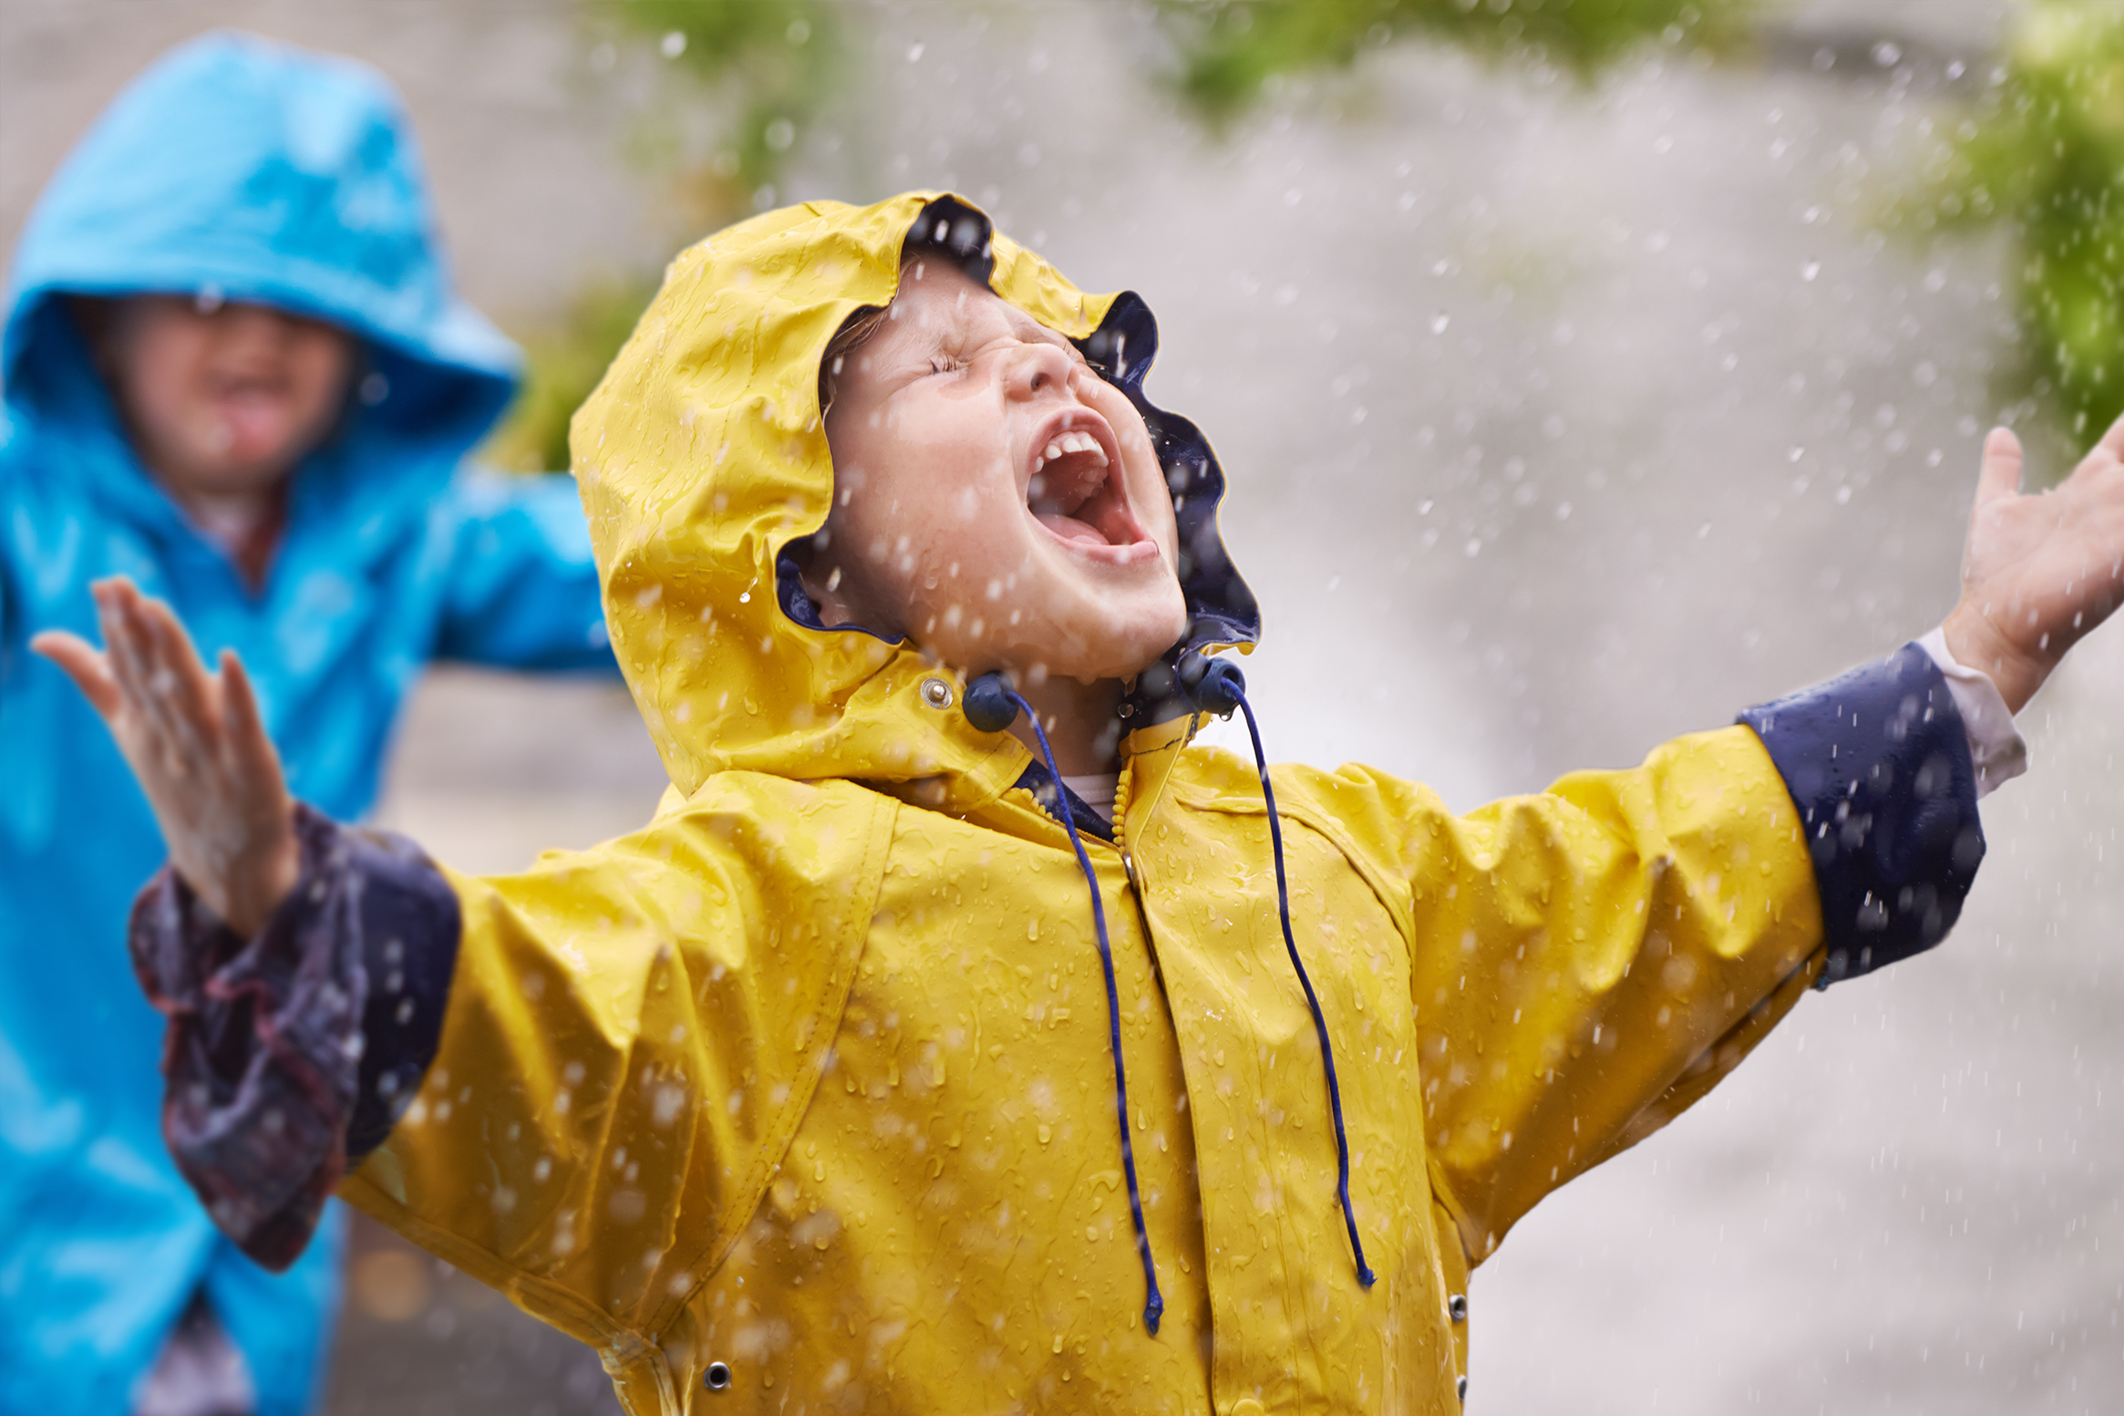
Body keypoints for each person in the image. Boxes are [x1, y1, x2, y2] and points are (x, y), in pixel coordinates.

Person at [37, 193, 2124, 1414]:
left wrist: (1974, 666)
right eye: (940, 367)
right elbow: (521, 1014)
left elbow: (1651, 883)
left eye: (1062, 345)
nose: (1053, 370)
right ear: (806, 558)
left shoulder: (1340, 876)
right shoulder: (770, 919)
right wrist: (281, 913)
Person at [0, 32, 618, 1416]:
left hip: (252, 1197)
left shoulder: (392, 545)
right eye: (208, 291)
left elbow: (625, 574)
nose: (258, 332)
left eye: (312, 303)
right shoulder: (24, 512)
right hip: (31, 1180)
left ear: (374, 343)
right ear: (104, 318)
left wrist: (872, 540)